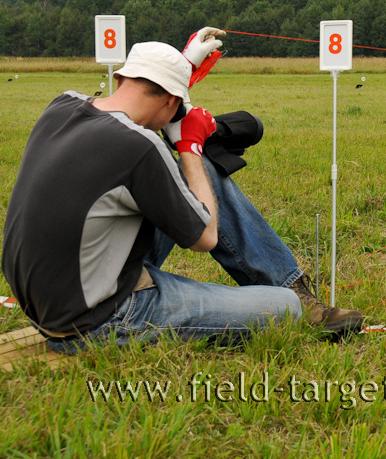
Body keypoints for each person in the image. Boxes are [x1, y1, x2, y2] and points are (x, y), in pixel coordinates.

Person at [2, 30, 363, 354]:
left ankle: (294, 289)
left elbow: (146, 104)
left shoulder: (62, 105)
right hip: (97, 321)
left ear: (120, 77)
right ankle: (297, 301)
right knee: (284, 309)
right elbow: (205, 237)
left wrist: (180, 68)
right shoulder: (140, 146)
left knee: (199, 174)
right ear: (172, 102)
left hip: (55, 299)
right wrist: (189, 147)